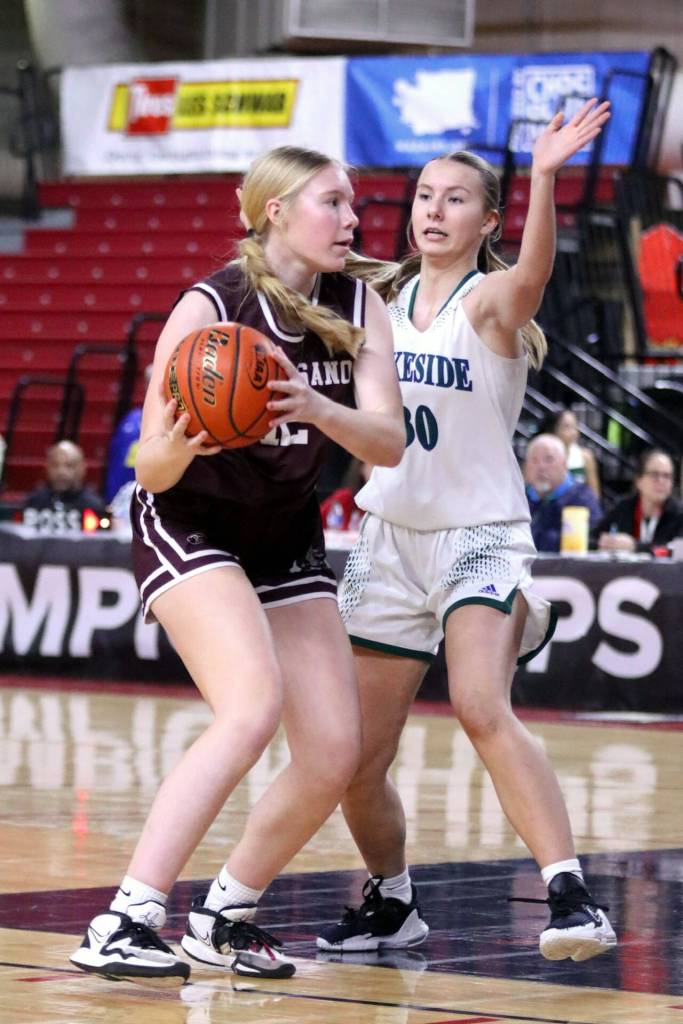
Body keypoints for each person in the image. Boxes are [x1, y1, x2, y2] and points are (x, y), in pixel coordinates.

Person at [69, 145, 405, 986]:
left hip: (280, 527)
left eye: (354, 204)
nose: (353, 220)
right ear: (275, 211)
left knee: (334, 749)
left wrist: (312, 403)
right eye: (333, 203)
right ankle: (127, 915)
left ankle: (223, 913)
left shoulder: (359, 300)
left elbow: (389, 445)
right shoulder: (210, 305)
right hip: (188, 515)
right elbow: (145, 469)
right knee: (250, 707)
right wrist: (179, 443)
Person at [316, 99, 617, 963]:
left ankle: (570, 895)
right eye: (422, 196)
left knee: (482, 706)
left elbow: (532, 278)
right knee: (352, 757)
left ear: (486, 218)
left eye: (454, 199)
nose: (432, 211)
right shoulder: (379, 297)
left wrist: (548, 178)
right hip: (388, 539)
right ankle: (390, 901)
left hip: (478, 534)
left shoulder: (490, 303)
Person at [524, 433, 602, 552]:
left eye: (548, 459)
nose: (541, 467)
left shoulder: (582, 497)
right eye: (534, 460)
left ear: (564, 465)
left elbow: (591, 542)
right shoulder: (520, 498)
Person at [596, 448, 683, 555]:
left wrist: (635, 546)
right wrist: (605, 542)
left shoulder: (679, 514)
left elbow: (674, 550)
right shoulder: (623, 507)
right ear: (638, 480)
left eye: (667, 476)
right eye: (654, 475)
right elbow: (593, 538)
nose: (661, 481)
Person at [23, 440, 107, 533]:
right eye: (55, 465)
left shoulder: (93, 506)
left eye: (69, 466)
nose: (61, 472)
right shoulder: (34, 501)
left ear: (82, 468)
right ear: (47, 467)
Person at [543, 407, 601, 497]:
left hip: (577, 508)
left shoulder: (585, 457)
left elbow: (594, 494)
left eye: (575, 426)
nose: (573, 432)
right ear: (553, 430)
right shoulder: (541, 456)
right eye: (567, 427)